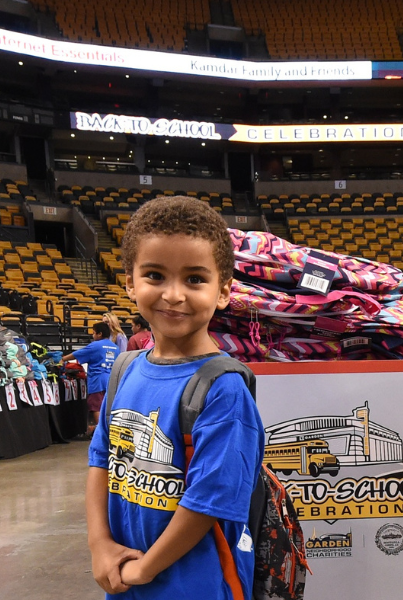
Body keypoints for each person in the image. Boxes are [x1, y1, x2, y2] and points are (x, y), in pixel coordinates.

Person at [86, 196, 265, 599]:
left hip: (196, 585)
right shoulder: (124, 370)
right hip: (124, 579)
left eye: (195, 279)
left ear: (223, 291)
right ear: (130, 282)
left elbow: (210, 501)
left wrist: (144, 570)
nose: (173, 294)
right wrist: (100, 547)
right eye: (155, 275)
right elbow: (101, 461)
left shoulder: (224, 389)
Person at [71, 322, 120, 432]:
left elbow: (77, 354)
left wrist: (63, 359)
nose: (93, 336)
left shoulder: (95, 345)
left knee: (96, 406)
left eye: (93, 333)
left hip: (97, 381)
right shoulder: (116, 347)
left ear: (99, 334)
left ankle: (101, 431)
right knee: (109, 406)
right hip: (112, 381)